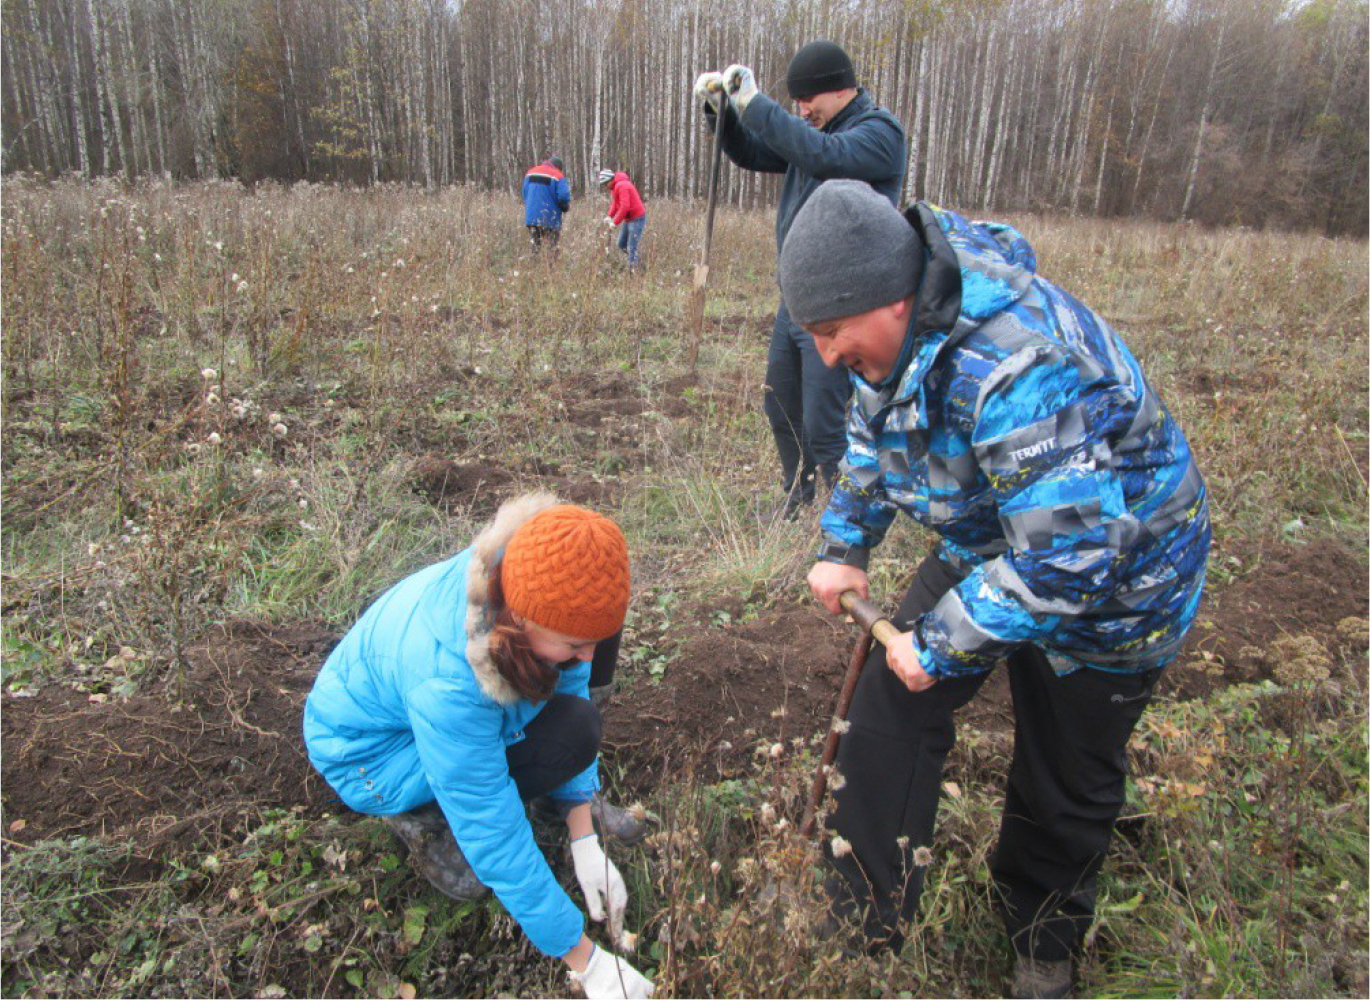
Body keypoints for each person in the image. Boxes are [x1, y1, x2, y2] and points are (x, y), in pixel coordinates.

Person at [779, 181, 1211, 999]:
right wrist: (846, 541)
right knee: (887, 707)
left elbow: (1075, 552)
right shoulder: (894, 338)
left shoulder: (1020, 358)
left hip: (1123, 580)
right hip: (995, 538)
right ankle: (865, 909)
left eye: (834, 333)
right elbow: (877, 427)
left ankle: (1043, 943)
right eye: (816, 336)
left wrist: (941, 642)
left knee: (1064, 773)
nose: (829, 356)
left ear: (894, 298)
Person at [304, 495, 653, 1000]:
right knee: (482, 827)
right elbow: (490, 820)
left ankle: (539, 798)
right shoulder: (448, 682)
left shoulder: (532, 581)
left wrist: (584, 835)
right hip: (370, 757)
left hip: (441, 722)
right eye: (574, 645)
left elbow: (572, 687)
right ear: (524, 622)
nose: (589, 658)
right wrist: (587, 961)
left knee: (576, 725)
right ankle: (424, 818)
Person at [693, 42, 906, 521]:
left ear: (839, 89)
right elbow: (751, 151)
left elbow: (824, 156)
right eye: (795, 104)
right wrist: (721, 114)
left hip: (844, 308)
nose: (802, 111)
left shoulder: (877, 134)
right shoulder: (814, 132)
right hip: (798, 301)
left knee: (825, 422)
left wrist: (757, 104)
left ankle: (843, 518)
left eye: (807, 100)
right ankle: (798, 499)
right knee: (781, 404)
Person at [597, 168, 647, 273]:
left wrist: (615, 223)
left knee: (631, 246)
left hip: (637, 218)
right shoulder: (615, 187)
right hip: (629, 219)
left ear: (610, 180)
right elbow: (615, 204)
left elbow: (625, 207)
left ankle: (634, 271)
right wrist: (609, 216)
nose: (605, 187)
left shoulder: (622, 186)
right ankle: (638, 261)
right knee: (621, 244)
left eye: (605, 184)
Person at [522, 155, 572, 252]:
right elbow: (563, 196)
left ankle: (534, 265)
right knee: (552, 248)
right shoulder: (558, 175)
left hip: (531, 218)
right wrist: (564, 207)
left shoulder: (530, 172)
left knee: (535, 248)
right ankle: (551, 266)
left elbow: (524, 193)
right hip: (550, 219)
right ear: (558, 167)